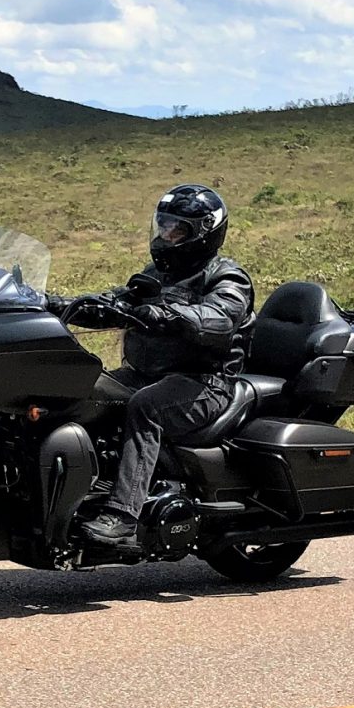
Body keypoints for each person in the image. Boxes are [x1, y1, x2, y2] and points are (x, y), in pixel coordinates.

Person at [47, 184, 255, 551]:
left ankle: (123, 517)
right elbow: (117, 302)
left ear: (205, 232)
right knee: (86, 390)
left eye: (179, 229)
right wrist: (58, 304)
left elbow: (220, 317)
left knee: (146, 407)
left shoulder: (227, 276)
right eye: (164, 225)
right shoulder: (157, 273)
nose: (167, 235)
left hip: (204, 382)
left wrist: (170, 315)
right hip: (147, 373)